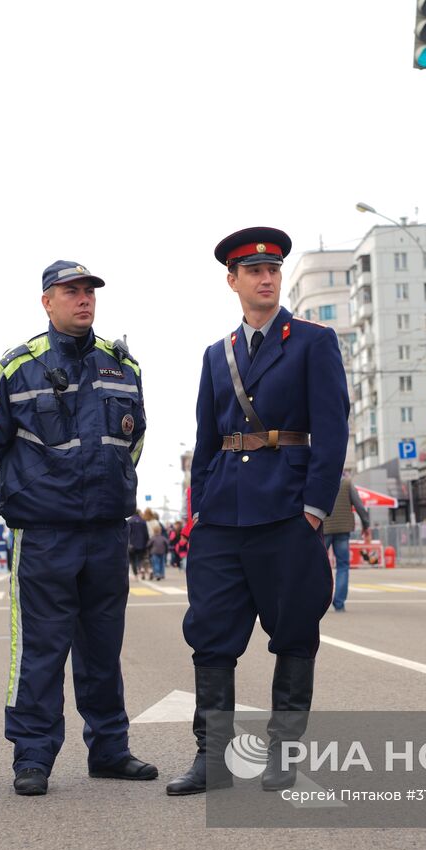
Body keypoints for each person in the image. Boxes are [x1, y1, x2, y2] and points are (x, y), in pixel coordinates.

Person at [168, 226, 348, 796]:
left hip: (287, 512)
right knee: (211, 636)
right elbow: (205, 438)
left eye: (272, 269)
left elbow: (333, 432)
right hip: (223, 516)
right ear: (233, 280)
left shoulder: (313, 341)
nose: (265, 278)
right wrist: (196, 513)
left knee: (294, 633)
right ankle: (213, 757)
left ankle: (282, 754)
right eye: (253, 271)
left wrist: (314, 511)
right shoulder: (216, 356)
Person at [0, 258, 156, 797]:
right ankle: (32, 756)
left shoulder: (123, 366)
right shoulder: (15, 368)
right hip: (44, 533)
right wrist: (20, 497)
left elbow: (135, 441)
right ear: (47, 301)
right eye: (71, 291)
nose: (84, 299)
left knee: (103, 647)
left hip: (105, 531)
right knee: (41, 648)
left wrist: (114, 486)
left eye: (89, 291)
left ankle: (110, 750)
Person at [322, 469, 371, 612]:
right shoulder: (347, 483)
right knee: (343, 566)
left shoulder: (321, 480)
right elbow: (360, 506)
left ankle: (319, 601)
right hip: (343, 528)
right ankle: (339, 603)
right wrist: (366, 524)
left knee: (318, 565)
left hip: (324, 528)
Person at [127, 509, 149, 580]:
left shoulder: (129, 521)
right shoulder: (143, 521)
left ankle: (136, 574)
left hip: (131, 544)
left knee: (133, 560)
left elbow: (126, 533)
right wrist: (146, 543)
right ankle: (141, 568)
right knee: (141, 558)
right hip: (141, 544)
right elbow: (146, 534)